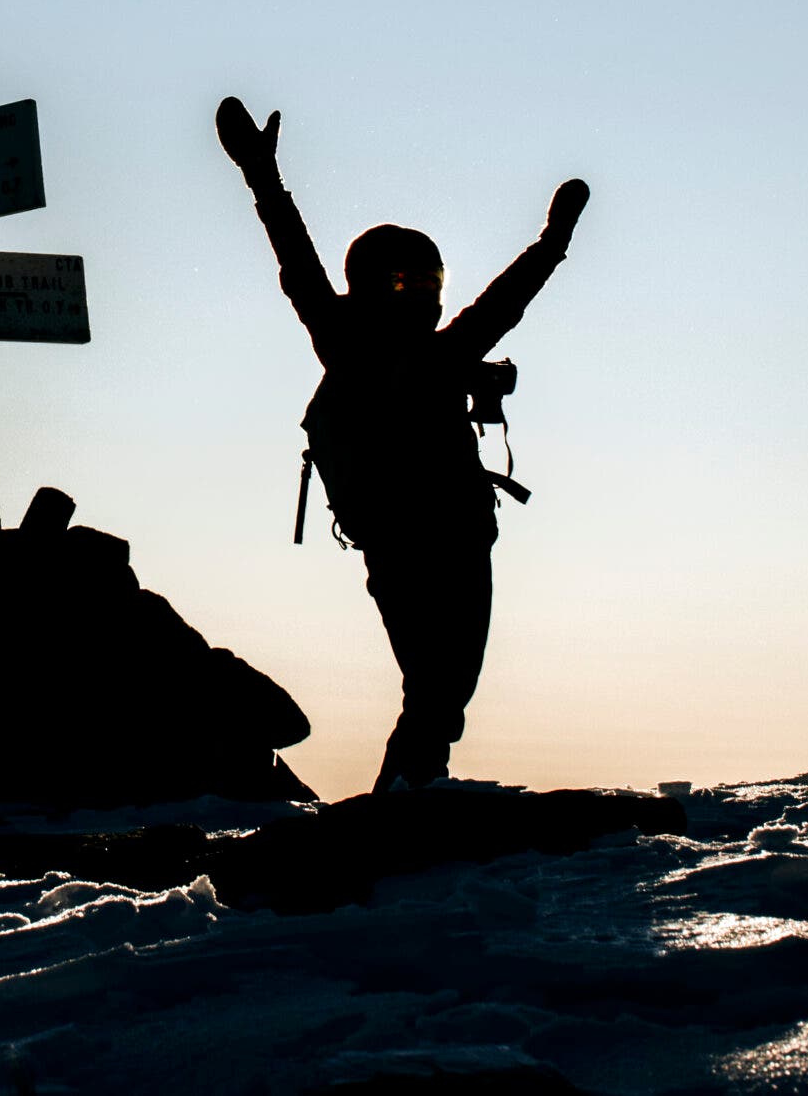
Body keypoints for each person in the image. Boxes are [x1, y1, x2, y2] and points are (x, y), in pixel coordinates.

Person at [216, 95, 590, 793]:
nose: (419, 291)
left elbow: (503, 302)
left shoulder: (442, 353)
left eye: (428, 279)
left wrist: (553, 241)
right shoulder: (345, 341)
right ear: (369, 285)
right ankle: (407, 801)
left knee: (442, 692)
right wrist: (262, 179)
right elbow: (296, 259)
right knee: (437, 687)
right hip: (407, 541)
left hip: (454, 535)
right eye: (404, 279)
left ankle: (410, 795)